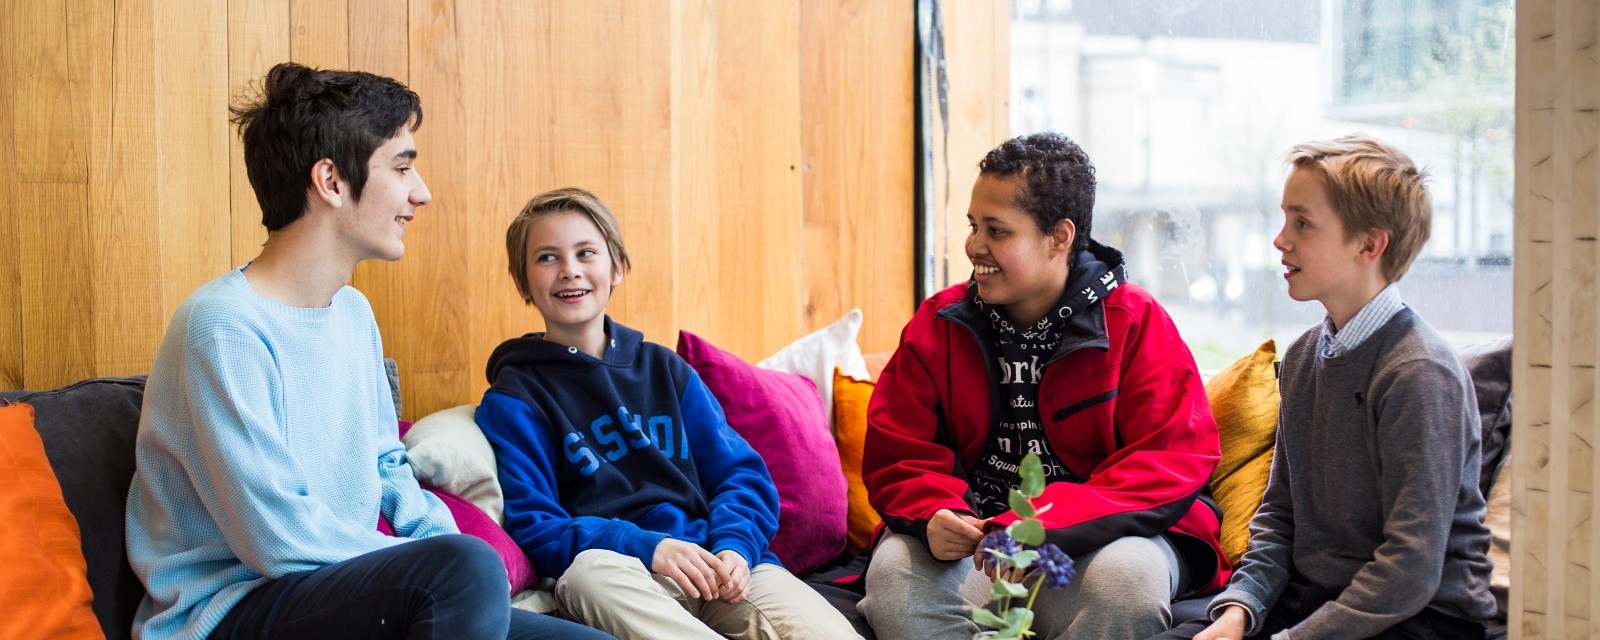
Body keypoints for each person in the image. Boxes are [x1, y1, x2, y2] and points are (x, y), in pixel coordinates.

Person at [124, 62, 611, 640]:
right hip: (235, 613)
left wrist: (439, 551)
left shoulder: (352, 314)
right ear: (331, 182)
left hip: (353, 592)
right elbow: (281, 540)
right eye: (402, 166)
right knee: (465, 568)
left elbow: (387, 468)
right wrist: (440, 567)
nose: (421, 193)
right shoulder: (223, 326)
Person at [858, 132, 1230, 640]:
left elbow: (1172, 458)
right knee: (895, 578)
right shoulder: (937, 323)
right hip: (982, 550)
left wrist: (1048, 524)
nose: (974, 246)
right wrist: (933, 513)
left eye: (997, 230)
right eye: (973, 226)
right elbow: (898, 451)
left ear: (1059, 237)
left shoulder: (1136, 321)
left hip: (1108, 543)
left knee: (1127, 586)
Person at [474, 187, 863, 640]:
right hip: (624, 575)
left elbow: (741, 475)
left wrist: (736, 546)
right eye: (547, 257)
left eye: (586, 253)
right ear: (522, 282)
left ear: (617, 267)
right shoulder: (516, 397)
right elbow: (537, 527)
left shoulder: (664, 370)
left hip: (718, 564)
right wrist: (648, 547)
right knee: (587, 576)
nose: (570, 270)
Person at [1151, 134, 1497, 640]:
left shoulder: (1419, 373)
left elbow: (1410, 569)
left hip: (1419, 619)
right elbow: (1280, 515)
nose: (1280, 239)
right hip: (1317, 600)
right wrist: (1238, 612)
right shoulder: (1304, 355)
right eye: (1285, 218)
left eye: (1303, 223)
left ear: (1368, 245)